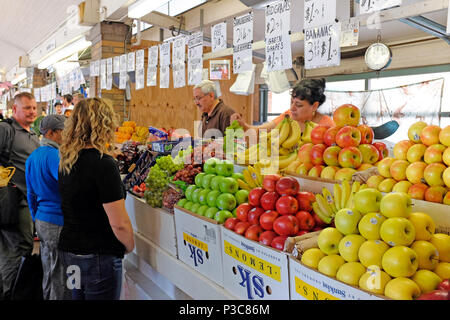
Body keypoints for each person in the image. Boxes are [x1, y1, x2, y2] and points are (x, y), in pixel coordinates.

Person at [58, 97, 134, 300]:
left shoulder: (66, 160)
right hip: (98, 255)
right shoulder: (104, 164)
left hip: (70, 252)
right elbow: (119, 224)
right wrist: (129, 245)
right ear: (105, 124)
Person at [25, 114, 71, 300]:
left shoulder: (33, 156)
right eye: (63, 132)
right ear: (52, 132)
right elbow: (67, 186)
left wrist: (36, 216)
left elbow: (30, 194)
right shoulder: (55, 156)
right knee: (61, 274)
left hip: (42, 220)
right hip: (58, 220)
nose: (66, 136)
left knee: (48, 270)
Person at [0, 92, 40, 300]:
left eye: (34, 107)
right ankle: (11, 294)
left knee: (16, 247)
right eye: (27, 108)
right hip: (13, 201)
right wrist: (6, 182)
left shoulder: (32, 134)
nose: (32, 111)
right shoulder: (6, 130)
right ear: (14, 109)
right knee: (18, 247)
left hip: (27, 201)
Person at [231, 78, 335, 133]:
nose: (292, 108)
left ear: (314, 106)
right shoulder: (287, 116)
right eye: (291, 102)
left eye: (298, 105)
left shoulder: (328, 126)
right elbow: (262, 131)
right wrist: (244, 126)